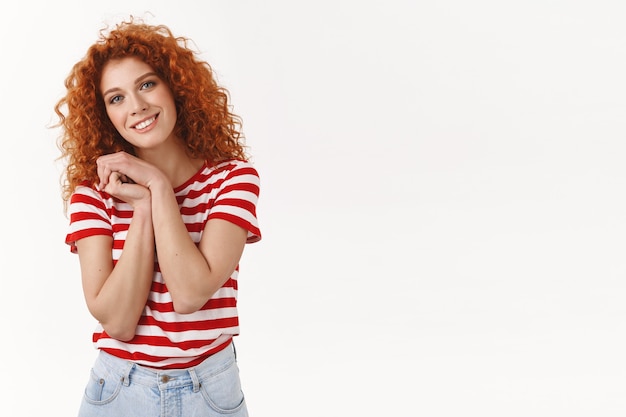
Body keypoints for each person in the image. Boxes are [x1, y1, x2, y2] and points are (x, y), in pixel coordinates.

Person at [53, 17, 261, 417]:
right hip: (117, 391)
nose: (137, 107)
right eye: (116, 98)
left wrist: (159, 188)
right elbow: (117, 322)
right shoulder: (92, 195)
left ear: (176, 88)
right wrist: (143, 208)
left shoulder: (232, 179)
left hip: (211, 391)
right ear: (104, 116)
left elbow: (190, 293)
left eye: (147, 84)